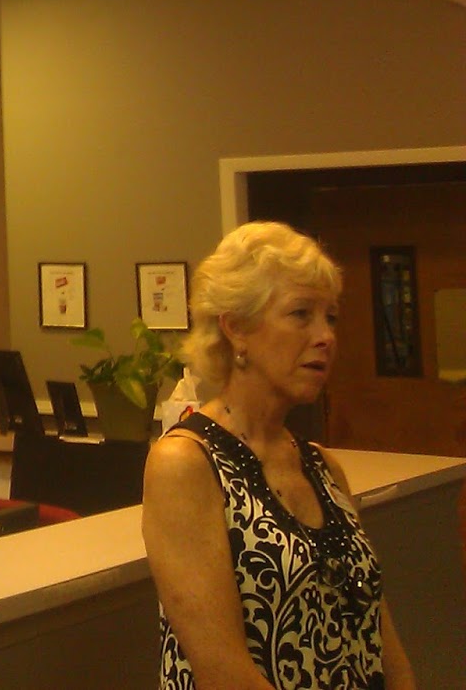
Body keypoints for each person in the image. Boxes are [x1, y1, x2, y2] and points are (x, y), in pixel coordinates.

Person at [143, 222, 416, 689]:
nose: (325, 336)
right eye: (301, 314)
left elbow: (379, 635)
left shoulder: (322, 467)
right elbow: (221, 671)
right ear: (236, 328)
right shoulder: (187, 464)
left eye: (331, 317)